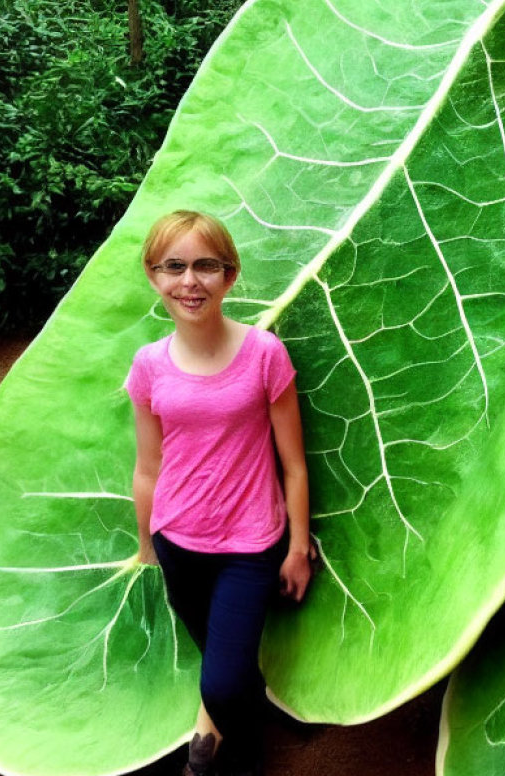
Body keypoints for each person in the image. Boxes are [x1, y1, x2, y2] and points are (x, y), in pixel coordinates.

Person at [125, 210, 312, 776]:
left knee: (224, 681)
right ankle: (232, 741)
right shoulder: (149, 365)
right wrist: (146, 545)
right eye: (174, 266)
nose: (190, 281)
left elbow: (294, 465)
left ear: (230, 276)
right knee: (224, 666)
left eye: (206, 266)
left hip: (250, 545)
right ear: (155, 277)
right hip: (178, 541)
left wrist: (298, 547)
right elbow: (148, 467)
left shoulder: (263, 353)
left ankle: (221, 754)